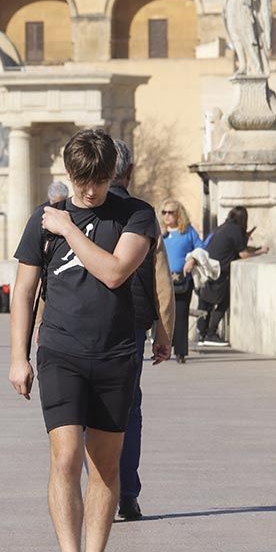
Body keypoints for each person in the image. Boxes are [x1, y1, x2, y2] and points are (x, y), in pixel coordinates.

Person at [8, 128, 165, 552]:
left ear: (111, 174)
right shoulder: (43, 220)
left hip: (116, 354)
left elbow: (116, 272)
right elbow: (23, 290)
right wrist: (18, 357)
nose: (88, 190)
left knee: (105, 464)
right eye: (80, 180)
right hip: (60, 352)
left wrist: (71, 228)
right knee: (65, 456)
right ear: (69, 172)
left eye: (96, 180)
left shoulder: (136, 215)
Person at [108, 139, 174, 522]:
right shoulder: (142, 214)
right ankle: (127, 492)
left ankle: (102, 486)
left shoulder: (77, 212)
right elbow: (160, 280)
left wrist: (42, 324)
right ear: (129, 173)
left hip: (86, 325)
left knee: (87, 411)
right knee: (129, 408)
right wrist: (164, 334)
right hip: (133, 322)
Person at [197, 206, 268, 347]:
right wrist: (261, 251)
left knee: (206, 302)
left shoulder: (222, 227)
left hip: (210, 269)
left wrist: (245, 237)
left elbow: (233, 246)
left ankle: (202, 333)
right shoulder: (235, 230)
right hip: (221, 271)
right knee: (223, 301)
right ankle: (211, 334)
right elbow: (243, 254)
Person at [161, 198, 203, 363]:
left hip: (183, 279)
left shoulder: (188, 231)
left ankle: (181, 352)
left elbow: (200, 248)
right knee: (164, 315)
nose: (167, 216)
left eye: (171, 212)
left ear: (179, 214)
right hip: (163, 279)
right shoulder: (160, 232)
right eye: (164, 212)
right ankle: (164, 347)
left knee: (181, 314)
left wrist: (192, 259)